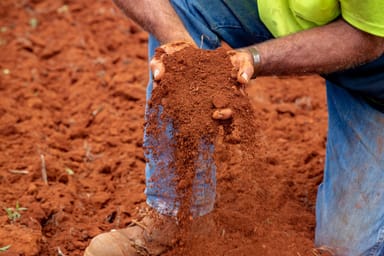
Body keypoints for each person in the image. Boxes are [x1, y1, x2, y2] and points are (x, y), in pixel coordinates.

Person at [84, 1, 384, 255]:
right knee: (182, 8)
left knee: (347, 247)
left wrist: (255, 59)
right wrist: (179, 44)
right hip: (289, 18)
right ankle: (174, 213)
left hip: (374, 73)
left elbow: (366, 38)